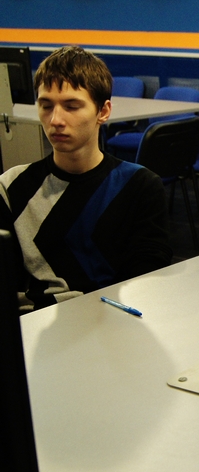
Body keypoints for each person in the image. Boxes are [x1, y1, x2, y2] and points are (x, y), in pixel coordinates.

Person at [0, 46, 171, 311]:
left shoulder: (139, 186)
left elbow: (147, 285)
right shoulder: (11, 187)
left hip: (112, 323)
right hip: (33, 328)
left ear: (103, 111)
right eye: (46, 106)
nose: (56, 119)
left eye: (71, 106)